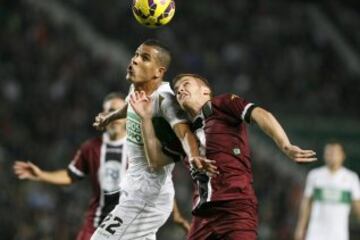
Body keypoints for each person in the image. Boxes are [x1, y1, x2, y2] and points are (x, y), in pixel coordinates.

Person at [13, 92, 190, 239]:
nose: (111, 116)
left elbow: (159, 182)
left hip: (133, 224)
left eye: (116, 111)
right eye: (107, 111)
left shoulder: (141, 148)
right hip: (97, 224)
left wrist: (175, 214)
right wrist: (41, 175)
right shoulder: (90, 148)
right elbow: (70, 175)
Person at [169, 73, 317, 240]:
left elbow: (260, 114)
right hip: (202, 218)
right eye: (176, 89)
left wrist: (285, 144)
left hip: (235, 208)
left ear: (205, 91)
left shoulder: (222, 104)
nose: (180, 89)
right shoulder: (185, 135)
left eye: (186, 84)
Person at [91, 40, 215, 240]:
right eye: (136, 54)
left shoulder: (165, 100)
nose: (135, 60)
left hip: (147, 196)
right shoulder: (137, 90)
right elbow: (128, 108)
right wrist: (109, 118)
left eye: (144, 58)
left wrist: (193, 155)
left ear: (158, 72)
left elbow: (184, 133)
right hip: (136, 187)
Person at [294, 141, 360, 240]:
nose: (331, 156)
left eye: (334, 153)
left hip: (339, 234)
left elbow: (358, 206)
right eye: (328, 153)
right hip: (315, 233)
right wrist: (300, 227)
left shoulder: (351, 178)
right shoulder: (314, 175)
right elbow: (306, 203)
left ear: (342, 155)